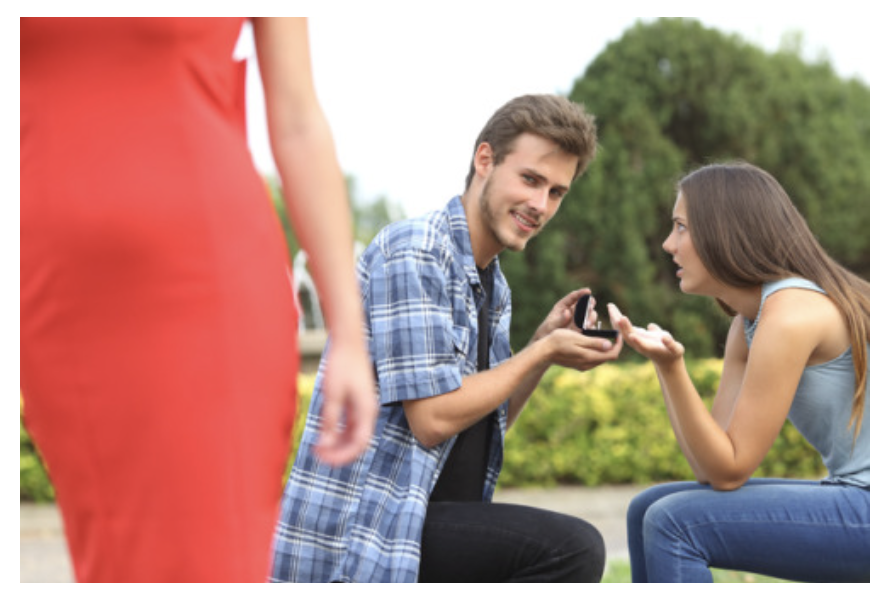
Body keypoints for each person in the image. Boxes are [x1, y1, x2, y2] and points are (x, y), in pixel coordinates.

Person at [20, 18, 377, 582]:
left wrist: (350, 334)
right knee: (116, 557)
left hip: (208, 281)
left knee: (214, 558)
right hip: (53, 296)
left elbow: (298, 120)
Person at [270, 94, 622, 583]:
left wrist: (541, 351)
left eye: (557, 192)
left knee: (561, 547)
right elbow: (432, 419)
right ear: (485, 160)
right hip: (368, 535)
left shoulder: (492, 284)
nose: (540, 205)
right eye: (530, 179)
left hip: (423, 520)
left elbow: (481, 421)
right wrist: (541, 350)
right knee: (573, 548)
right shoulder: (416, 251)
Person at [608, 162, 870, 583]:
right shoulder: (748, 324)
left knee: (674, 523)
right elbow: (710, 469)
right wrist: (667, 366)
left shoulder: (790, 315)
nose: (666, 244)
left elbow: (731, 470)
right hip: (858, 497)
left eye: (680, 227)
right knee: (647, 508)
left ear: (723, 233)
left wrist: (674, 371)